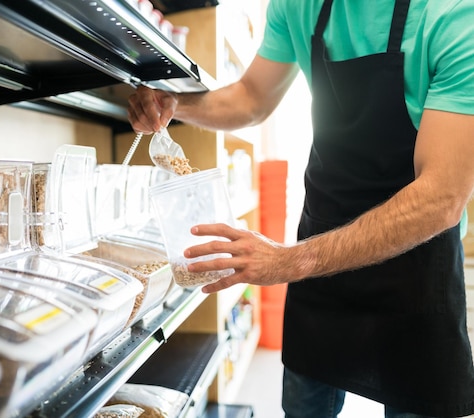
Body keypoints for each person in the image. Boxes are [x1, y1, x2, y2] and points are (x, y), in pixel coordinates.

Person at [127, 0, 474, 417]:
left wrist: (292, 260)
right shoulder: (297, 4)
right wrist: (176, 104)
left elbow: (440, 197)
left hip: (413, 259)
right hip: (322, 243)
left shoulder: (452, 14)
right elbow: (253, 97)